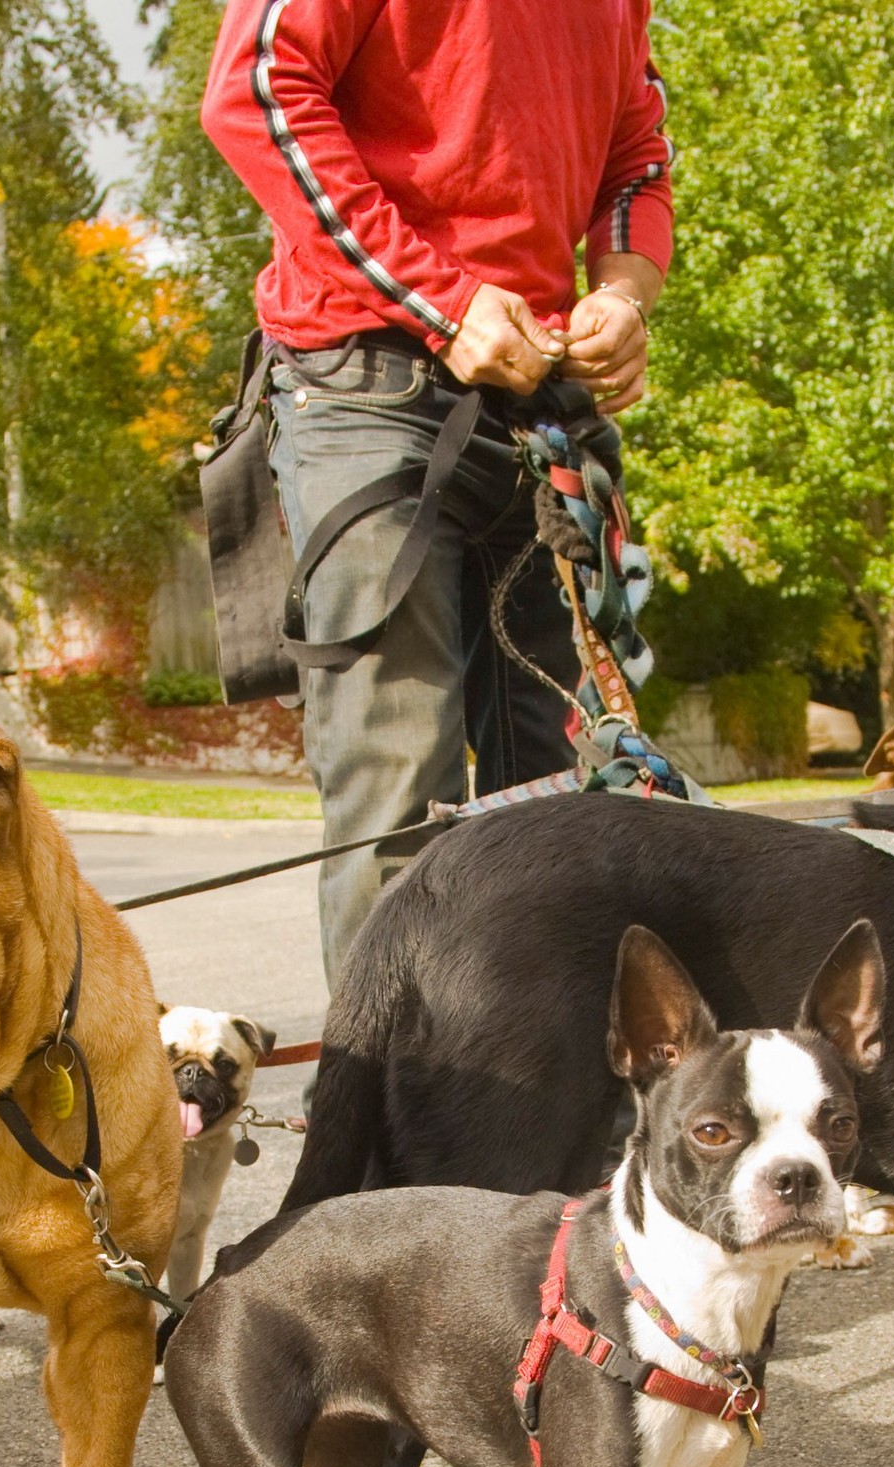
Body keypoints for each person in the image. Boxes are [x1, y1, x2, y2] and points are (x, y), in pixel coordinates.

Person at [201, 0, 670, 979]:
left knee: (568, 809)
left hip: (541, 414)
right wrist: (440, 299)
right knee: (395, 810)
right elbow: (254, 89)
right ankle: (385, 1126)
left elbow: (636, 156)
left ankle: (545, 1122)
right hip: (369, 393)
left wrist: (623, 292)